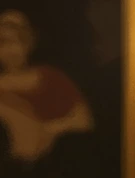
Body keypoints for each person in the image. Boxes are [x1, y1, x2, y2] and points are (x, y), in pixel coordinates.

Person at [0, 9, 93, 164]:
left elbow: (83, 120)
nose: (12, 50)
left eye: (19, 41)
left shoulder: (49, 77)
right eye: (4, 43)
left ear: (30, 44)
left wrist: (49, 129)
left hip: (54, 162)